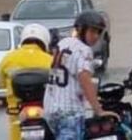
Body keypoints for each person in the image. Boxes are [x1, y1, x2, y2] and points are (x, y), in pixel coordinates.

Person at [44, 11, 116, 140]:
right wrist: (98, 109)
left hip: (50, 109)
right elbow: (85, 80)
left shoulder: (64, 43)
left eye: (99, 32)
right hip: (69, 112)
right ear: (81, 29)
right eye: (93, 31)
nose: (96, 36)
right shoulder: (84, 50)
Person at [0, 24, 53, 140]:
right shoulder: (50, 59)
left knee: (16, 131)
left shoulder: (9, 58)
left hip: (16, 109)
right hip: (44, 107)